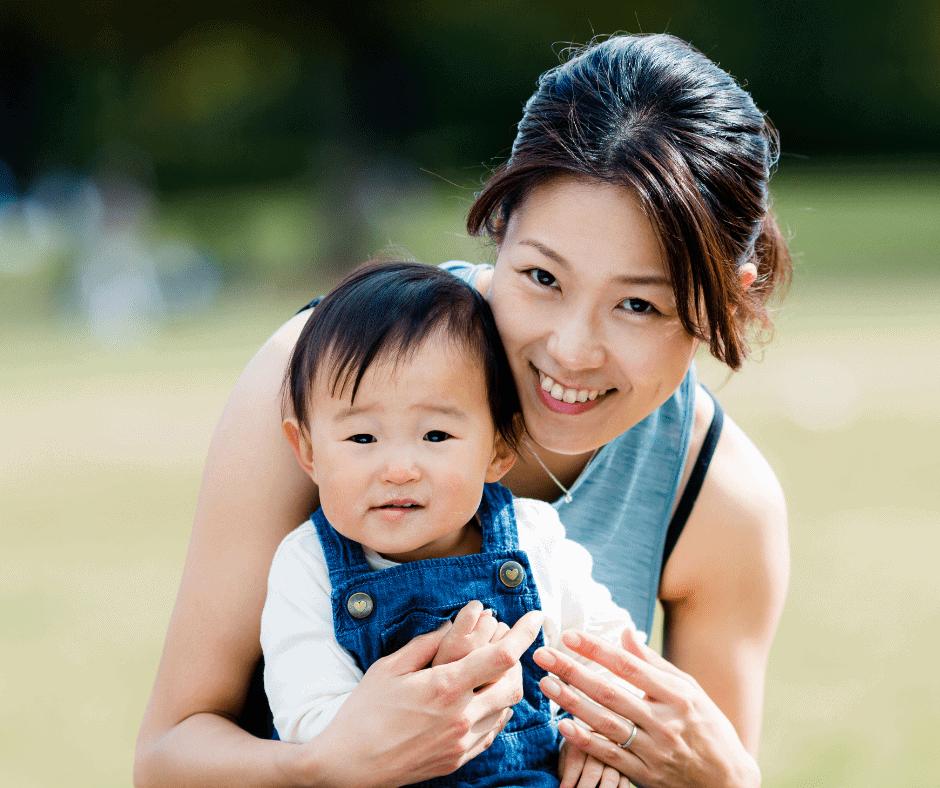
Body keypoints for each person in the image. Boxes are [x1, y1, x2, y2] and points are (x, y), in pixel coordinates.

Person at [135, 32, 790, 788]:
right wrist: (323, 765)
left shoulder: (720, 497)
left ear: (725, 301)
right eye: (542, 276)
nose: (573, 350)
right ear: (497, 230)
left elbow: (698, 760)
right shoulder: (320, 381)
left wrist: (721, 780)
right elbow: (165, 760)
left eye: (639, 304)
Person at [262, 260, 639, 787]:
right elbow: (308, 725)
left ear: (499, 450)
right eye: (362, 439)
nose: (399, 469)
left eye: (435, 436)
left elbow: (615, 655)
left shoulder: (533, 537)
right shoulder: (308, 566)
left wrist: (598, 737)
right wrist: (418, 704)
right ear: (307, 451)